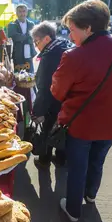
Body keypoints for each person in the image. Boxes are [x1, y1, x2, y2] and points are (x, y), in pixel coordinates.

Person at [50, 0, 112, 222]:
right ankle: (90, 196)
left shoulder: (74, 56)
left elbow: (57, 92)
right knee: (97, 161)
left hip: (82, 125)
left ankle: (73, 210)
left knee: (77, 167)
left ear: (88, 28)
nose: (70, 36)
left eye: (72, 30)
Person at [30, 21, 73, 169]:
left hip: (54, 102)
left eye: (37, 41)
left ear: (47, 39)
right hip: (70, 101)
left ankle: (44, 159)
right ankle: (61, 158)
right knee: (63, 129)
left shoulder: (49, 57)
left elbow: (44, 88)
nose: (36, 45)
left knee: (48, 129)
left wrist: (37, 112)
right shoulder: (66, 45)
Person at [8, 4, 36, 73]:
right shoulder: (12, 25)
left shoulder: (31, 24)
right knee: (18, 75)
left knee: (30, 74)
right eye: (20, 11)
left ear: (26, 12)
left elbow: (33, 37)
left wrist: (22, 37)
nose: (22, 13)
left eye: (24, 11)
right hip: (18, 53)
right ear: (16, 13)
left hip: (29, 53)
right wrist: (27, 36)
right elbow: (15, 37)